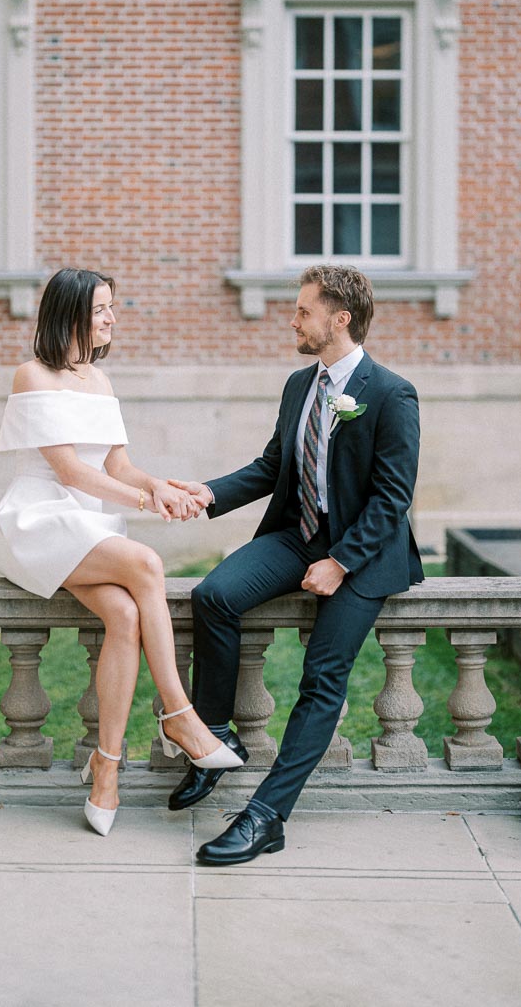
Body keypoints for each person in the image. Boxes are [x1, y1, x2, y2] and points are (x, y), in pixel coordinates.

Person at [168, 264, 422, 865]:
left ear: (341, 319)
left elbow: (393, 498)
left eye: (304, 311)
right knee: (214, 596)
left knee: (321, 677)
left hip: (363, 555)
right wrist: (208, 493)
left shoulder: (391, 393)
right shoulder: (296, 385)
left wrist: (340, 561)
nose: (294, 319)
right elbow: (271, 465)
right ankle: (214, 738)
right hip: (295, 535)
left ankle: (266, 815)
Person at [0, 267, 243, 836]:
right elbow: (68, 469)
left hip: (88, 523)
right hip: (40, 519)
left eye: (112, 308)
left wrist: (159, 487)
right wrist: (141, 501)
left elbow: (117, 466)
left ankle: (106, 768)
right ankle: (180, 716)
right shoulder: (32, 375)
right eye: (101, 308)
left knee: (125, 613)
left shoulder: (100, 384)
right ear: (70, 314)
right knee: (148, 563)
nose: (111, 318)